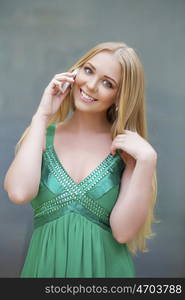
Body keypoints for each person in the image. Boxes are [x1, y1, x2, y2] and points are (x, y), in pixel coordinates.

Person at [3, 41, 157, 278]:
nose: (91, 85)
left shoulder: (128, 151)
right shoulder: (41, 134)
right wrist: (42, 116)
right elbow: (19, 193)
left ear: (120, 96)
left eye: (108, 83)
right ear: (75, 71)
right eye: (88, 70)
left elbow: (123, 233)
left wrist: (147, 160)